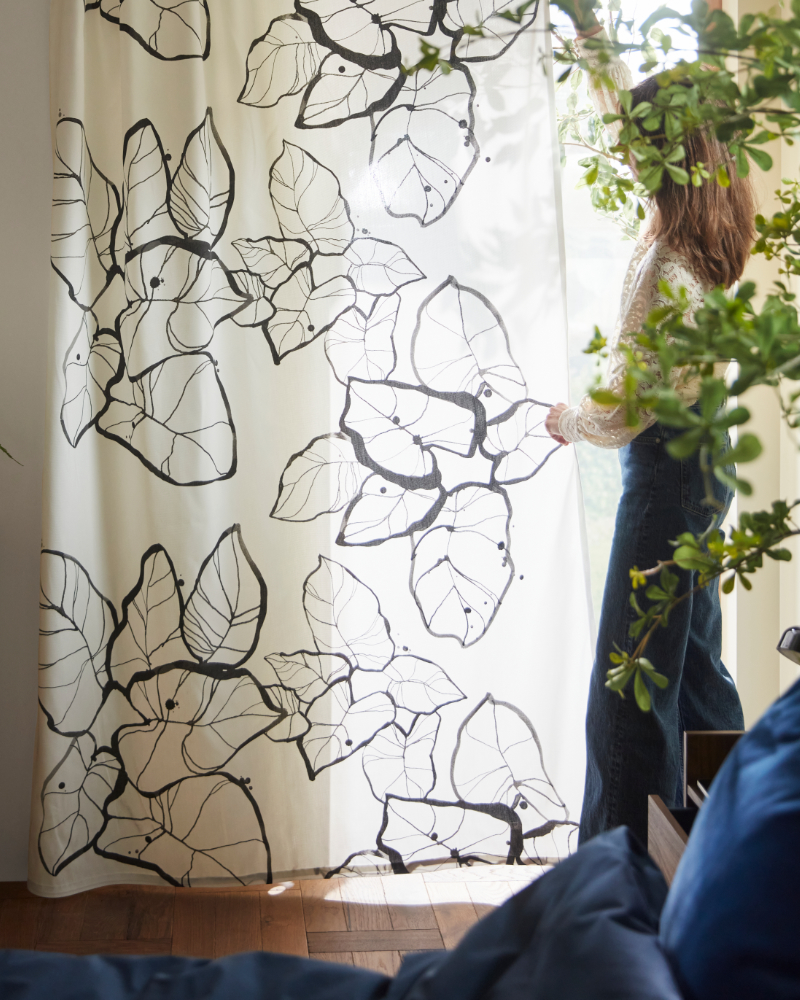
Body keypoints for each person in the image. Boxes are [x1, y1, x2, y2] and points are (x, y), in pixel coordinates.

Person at [547, 4, 754, 846]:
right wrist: (590, 32)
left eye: (639, 142)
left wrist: (571, 420)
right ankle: (733, 843)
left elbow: (629, 404)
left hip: (667, 477)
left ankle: (620, 872)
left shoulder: (668, 266)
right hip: (706, 472)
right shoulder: (702, 230)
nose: (625, 149)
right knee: (696, 673)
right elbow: (623, 108)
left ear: (667, 156)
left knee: (630, 688)